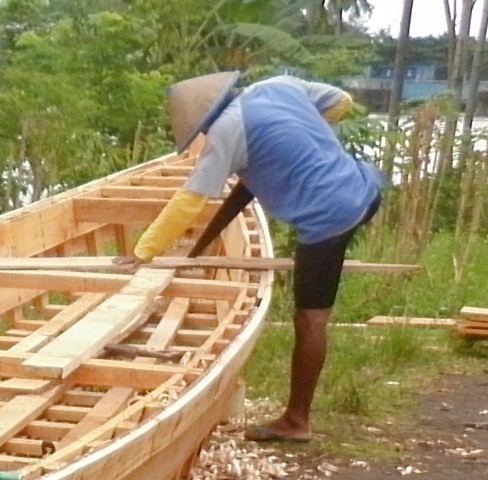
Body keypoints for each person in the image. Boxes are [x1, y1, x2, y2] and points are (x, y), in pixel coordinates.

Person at [131, 70, 381, 442]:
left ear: (204, 122)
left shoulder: (224, 134)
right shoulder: (277, 85)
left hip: (328, 216)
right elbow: (340, 101)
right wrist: (298, 140)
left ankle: (296, 422)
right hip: (365, 186)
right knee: (312, 301)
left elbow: (189, 200)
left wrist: (143, 251)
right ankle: (296, 417)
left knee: (311, 319)